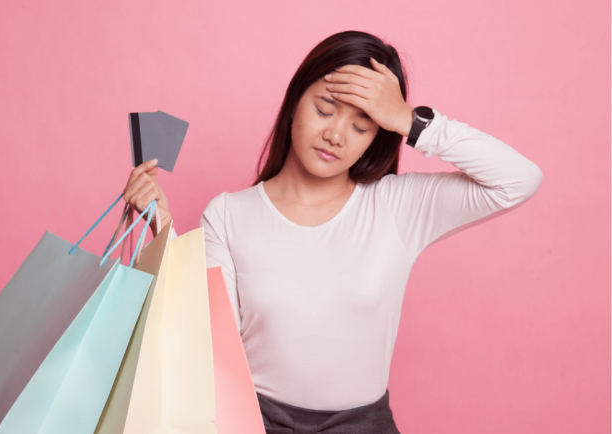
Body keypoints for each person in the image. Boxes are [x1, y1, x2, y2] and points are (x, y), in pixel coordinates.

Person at [122, 30, 543, 433]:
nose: (335, 135)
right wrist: (163, 228)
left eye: (362, 125)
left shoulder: (397, 206)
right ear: (294, 103)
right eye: (325, 109)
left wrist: (408, 120)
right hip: (252, 422)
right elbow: (210, 340)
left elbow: (518, 180)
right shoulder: (229, 214)